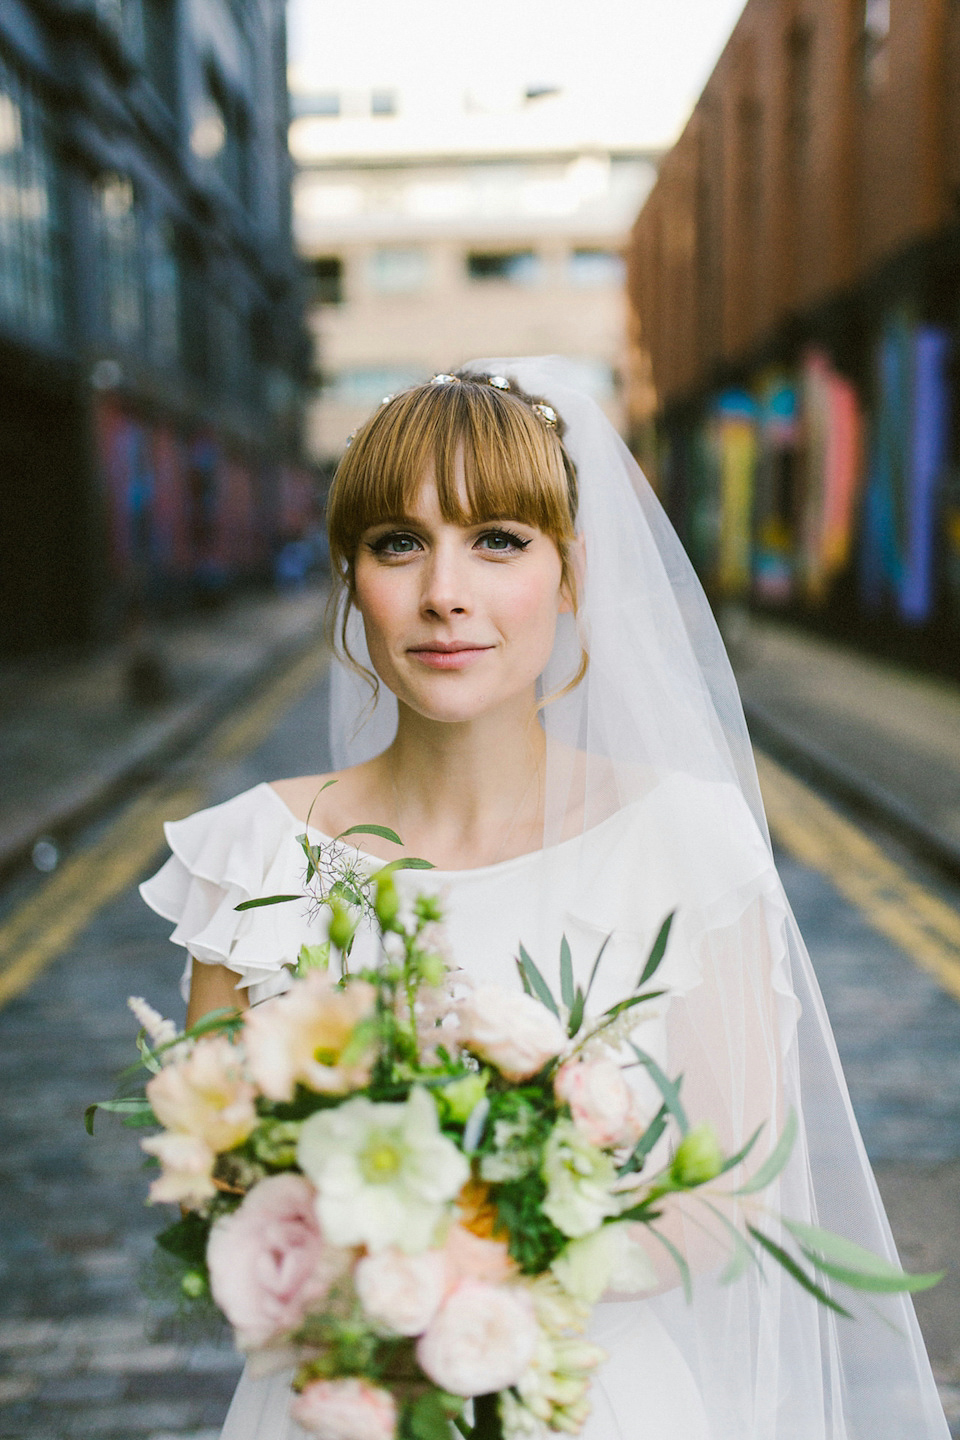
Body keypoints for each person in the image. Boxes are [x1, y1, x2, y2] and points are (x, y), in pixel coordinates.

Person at [141, 358, 948, 1440]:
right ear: (351, 576)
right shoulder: (254, 858)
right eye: (398, 544)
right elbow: (213, 1190)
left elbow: (731, 1193)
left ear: (570, 574)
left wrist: (471, 1271)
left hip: (597, 1401)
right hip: (330, 1405)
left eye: (499, 541)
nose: (444, 593)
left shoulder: (684, 844)